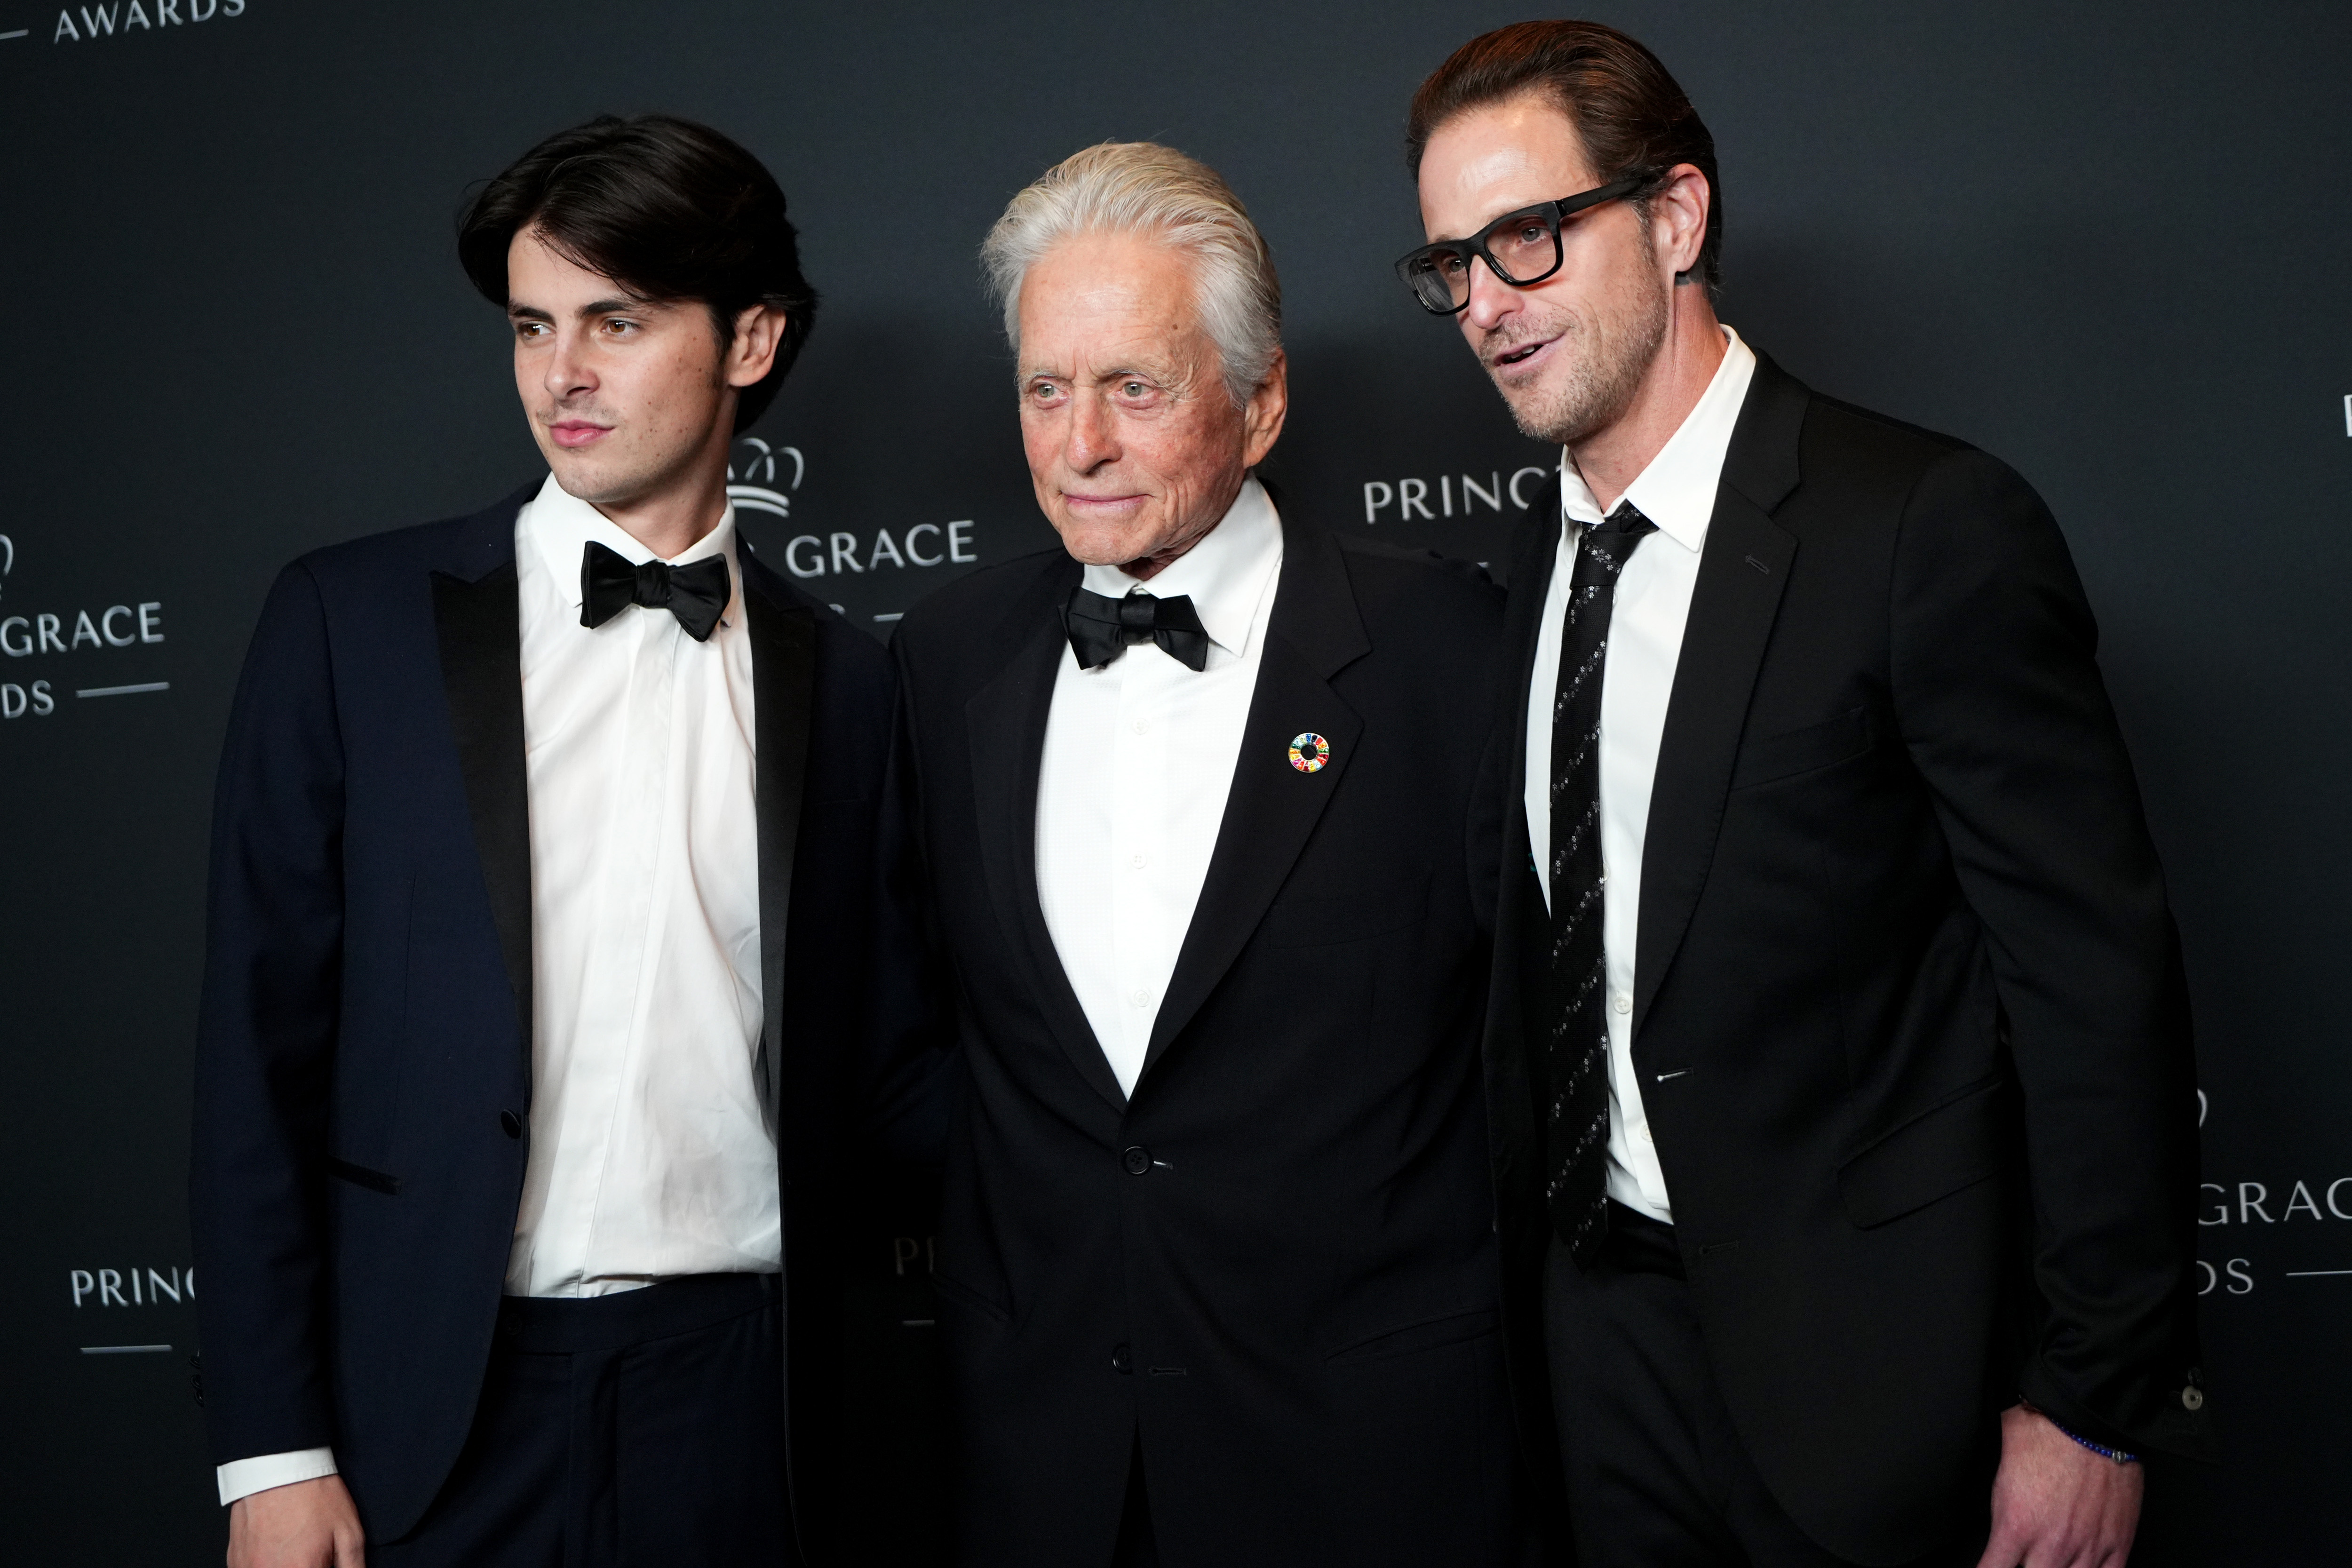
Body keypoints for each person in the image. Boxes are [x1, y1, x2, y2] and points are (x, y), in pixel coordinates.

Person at [1396, 21, 2213, 1568]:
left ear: (1676, 216)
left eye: (1528, 239)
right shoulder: (1534, 568)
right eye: (1452, 265)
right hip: (1602, 1353)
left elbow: (2095, 990)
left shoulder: (1923, 529)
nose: (1488, 306)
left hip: (1886, 1379)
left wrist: (2095, 1400)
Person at [191, 114, 935, 1568]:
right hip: (424, 1410)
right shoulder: (351, 627)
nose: (561, 375)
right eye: (534, 326)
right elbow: (254, 1057)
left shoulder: (851, 683)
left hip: (748, 1402)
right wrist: (271, 1452)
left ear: (752, 340)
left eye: (618, 321)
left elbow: (897, 1066)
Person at [891, 142, 1519, 1567]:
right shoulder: (943, 660)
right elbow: (918, 1040)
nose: (1082, 444)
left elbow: (1527, 1063)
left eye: (1137, 387)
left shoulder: (1452, 656)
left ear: (1264, 399)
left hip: (1367, 1464)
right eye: (1048, 389)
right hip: (1042, 1465)